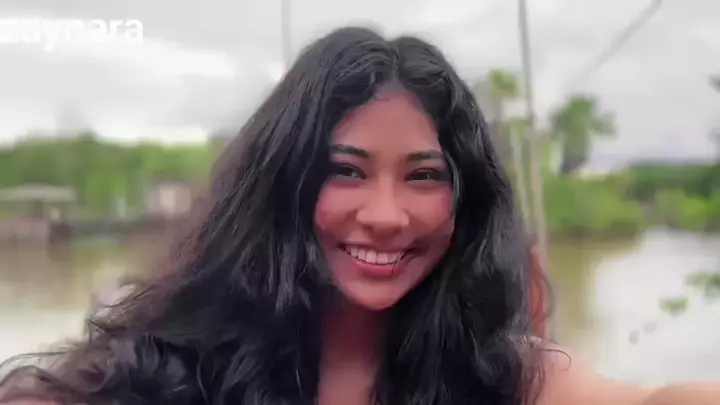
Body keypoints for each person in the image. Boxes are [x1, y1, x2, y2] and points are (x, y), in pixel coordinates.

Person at [0, 26, 718, 405]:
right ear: (282, 185)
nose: (385, 215)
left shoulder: (499, 376)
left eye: (424, 176)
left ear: (464, 202)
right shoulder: (169, 369)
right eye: (345, 170)